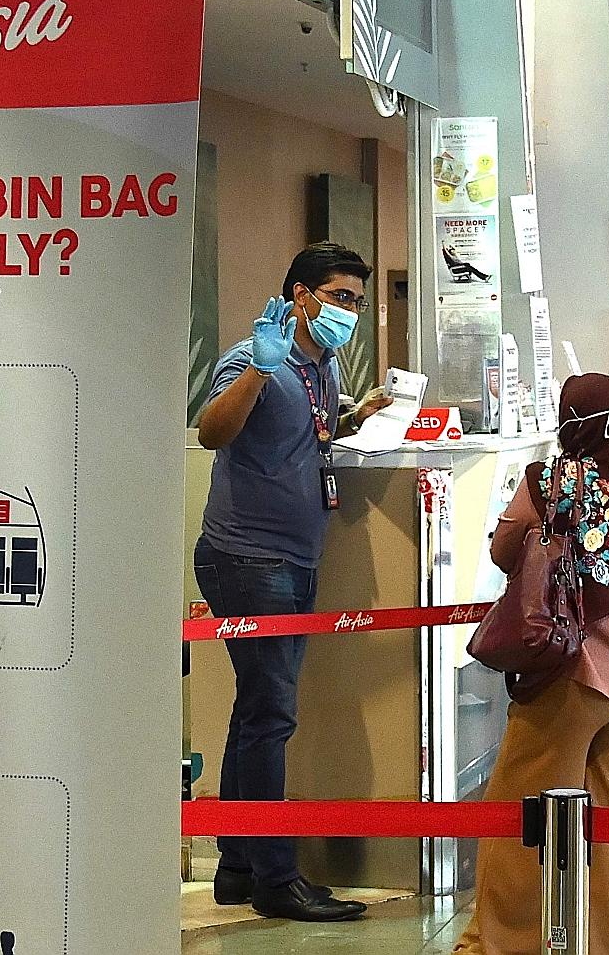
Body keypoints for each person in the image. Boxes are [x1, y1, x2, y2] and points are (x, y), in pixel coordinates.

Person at [194, 242, 392, 923]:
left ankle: (238, 865)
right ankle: (277, 879)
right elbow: (212, 432)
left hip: (296, 558)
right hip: (248, 560)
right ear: (301, 296)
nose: (350, 313)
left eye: (357, 302)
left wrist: (354, 418)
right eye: (340, 298)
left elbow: (299, 436)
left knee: (257, 711)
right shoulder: (256, 358)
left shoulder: (322, 364)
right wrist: (258, 369)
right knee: (271, 715)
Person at [454, 374, 609, 955]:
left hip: (575, 675)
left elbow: (505, 550)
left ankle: (500, 944)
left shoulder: (553, 481)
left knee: (521, 818)